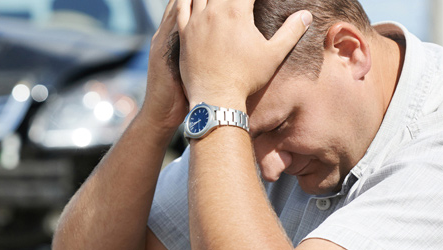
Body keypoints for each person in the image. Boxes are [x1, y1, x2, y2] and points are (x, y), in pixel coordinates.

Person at [52, 0, 443, 249]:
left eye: (280, 125)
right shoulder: (242, 117)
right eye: (247, 134)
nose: (268, 169)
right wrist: (156, 117)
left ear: (347, 51)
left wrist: (220, 104)